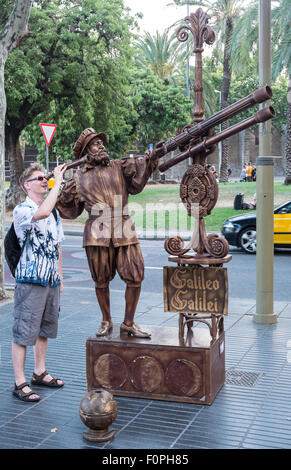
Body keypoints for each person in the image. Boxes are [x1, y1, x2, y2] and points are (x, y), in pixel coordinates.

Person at [56, 128, 158, 339]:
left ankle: (128, 322)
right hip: (96, 231)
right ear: (86, 152)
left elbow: (139, 175)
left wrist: (151, 158)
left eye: (101, 142)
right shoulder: (78, 178)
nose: (101, 145)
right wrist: (55, 187)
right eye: (95, 144)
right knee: (100, 279)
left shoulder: (119, 166)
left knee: (135, 275)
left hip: (123, 225)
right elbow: (68, 208)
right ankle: (106, 320)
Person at [12, 162, 67, 402]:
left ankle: (39, 371)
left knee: (44, 329)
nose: (44, 181)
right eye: (39, 178)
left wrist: (60, 278)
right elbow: (41, 212)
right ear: (27, 185)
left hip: (50, 280)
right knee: (24, 331)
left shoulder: (55, 212)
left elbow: (58, 246)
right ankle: (19, 381)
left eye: (46, 178)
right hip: (30, 279)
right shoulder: (22, 209)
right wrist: (58, 181)